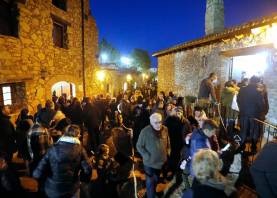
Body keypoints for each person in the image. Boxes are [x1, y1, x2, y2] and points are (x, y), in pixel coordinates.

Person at [33, 125, 92, 198]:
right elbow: (88, 168)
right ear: (77, 135)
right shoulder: (80, 150)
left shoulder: (53, 147)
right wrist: (84, 179)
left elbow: (40, 169)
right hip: (72, 188)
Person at [136, 113, 170, 198]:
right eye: (156, 122)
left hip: (160, 162)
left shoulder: (165, 129)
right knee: (150, 182)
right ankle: (151, 195)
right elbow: (139, 146)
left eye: (160, 122)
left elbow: (168, 142)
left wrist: (168, 152)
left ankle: (151, 193)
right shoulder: (145, 131)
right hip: (149, 164)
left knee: (155, 180)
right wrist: (147, 156)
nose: (159, 124)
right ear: (151, 122)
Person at [237, 76, 267, 153]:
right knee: (254, 131)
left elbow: (238, 100)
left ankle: (241, 146)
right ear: (257, 82)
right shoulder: (258, 92)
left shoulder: (242, 89)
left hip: (244, 113)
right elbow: (261, 105)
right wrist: (260, 112)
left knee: (243, 130)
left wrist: (242, 109)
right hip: (254, 115)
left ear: (250, 81)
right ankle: (253, 147)